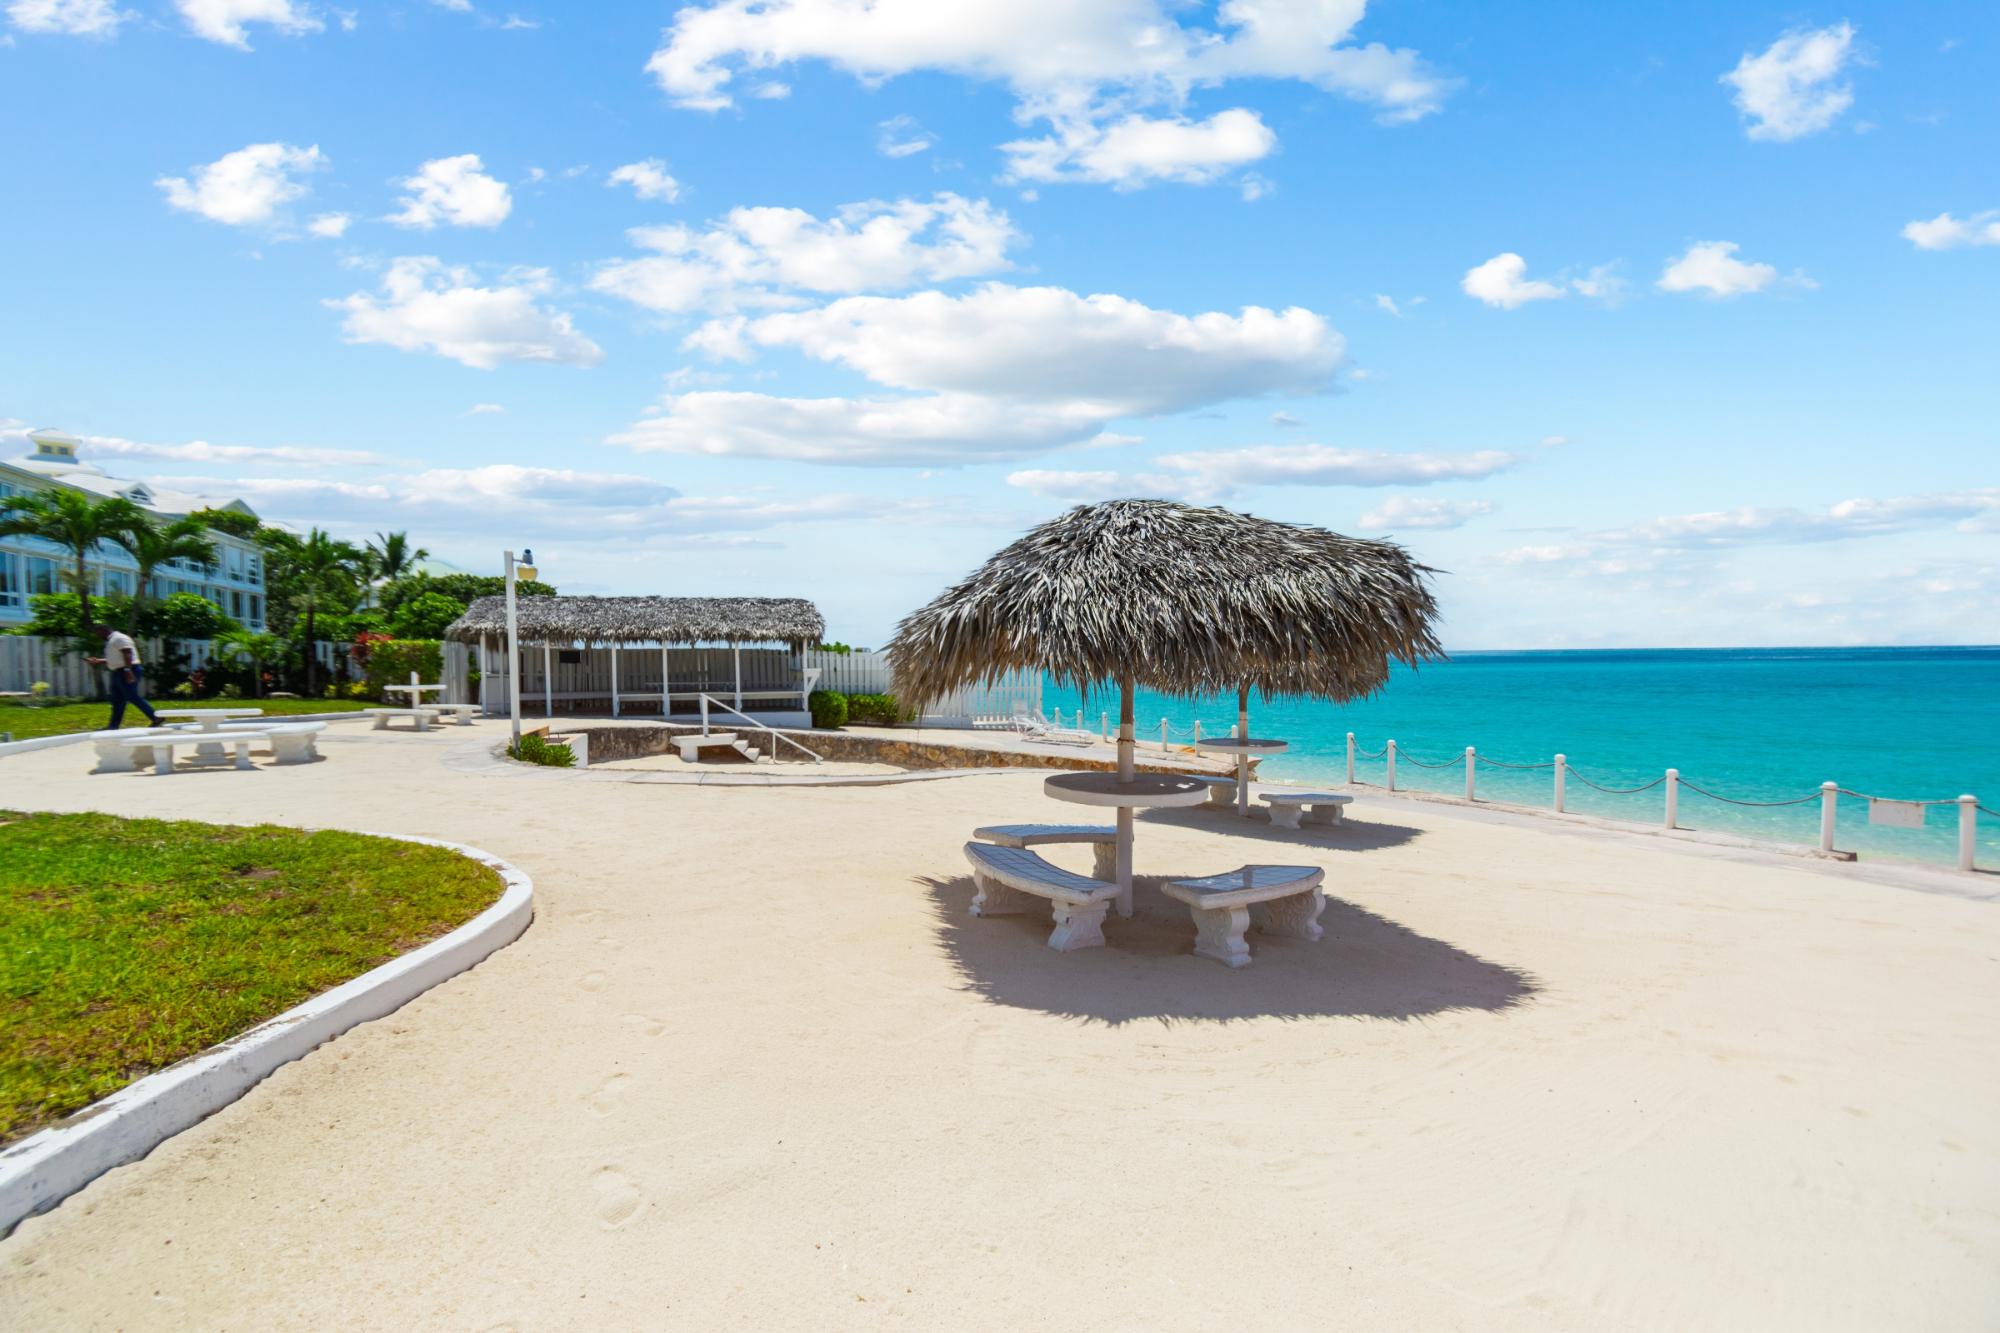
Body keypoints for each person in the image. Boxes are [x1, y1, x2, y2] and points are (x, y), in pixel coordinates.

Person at [87, 623, 161, 729]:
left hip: (128, 670)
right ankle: (113, 725)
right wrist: (99, 661)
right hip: (119, 671)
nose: (97, 635)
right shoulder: (112, 640)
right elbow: (117, 659)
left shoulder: (118, 638)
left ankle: (156, 717)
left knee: (131, 696)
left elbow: (128, 653)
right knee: (117, 699)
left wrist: (128, 670)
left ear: (104, 629)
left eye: (98, 632)